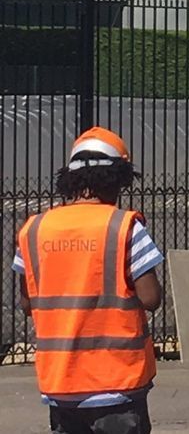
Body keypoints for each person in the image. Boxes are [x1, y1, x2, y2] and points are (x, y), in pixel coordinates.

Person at [12, 127, 163, 434]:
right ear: (118, 177)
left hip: (60, 385)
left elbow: (27, 302)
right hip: (118, 384)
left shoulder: (34, 230)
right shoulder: (124, 227)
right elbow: (151, 299)